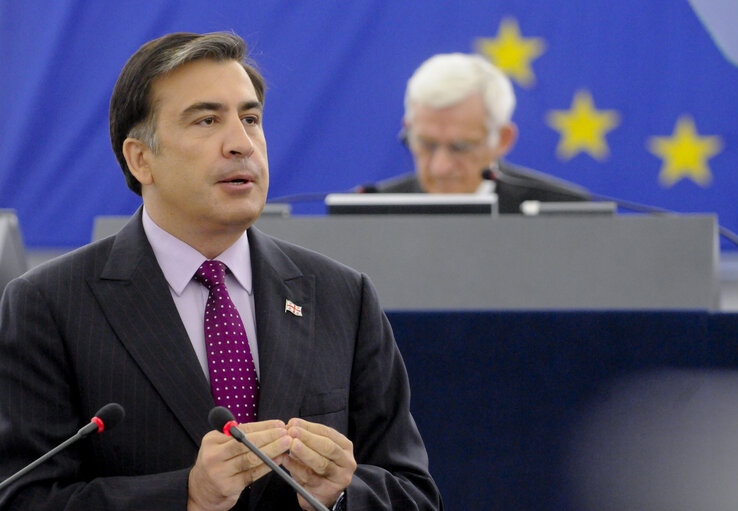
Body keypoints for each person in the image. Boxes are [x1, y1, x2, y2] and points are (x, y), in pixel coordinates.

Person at [0, 32, 442, 511]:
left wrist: (340, 496)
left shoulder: (341, 295)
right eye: (207, 120)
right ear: (140, 158)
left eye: (251, 119)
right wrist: (186, 496)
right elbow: (23, 498)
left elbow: (415, 494)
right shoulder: (50, 304)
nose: (242, 143)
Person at [370, 53, 589, 213]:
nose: (441, 167)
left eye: (460, 147)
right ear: (408, 129)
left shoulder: (563, 212)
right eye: (427, 144)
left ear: (503, 139)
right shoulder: (367, 215)